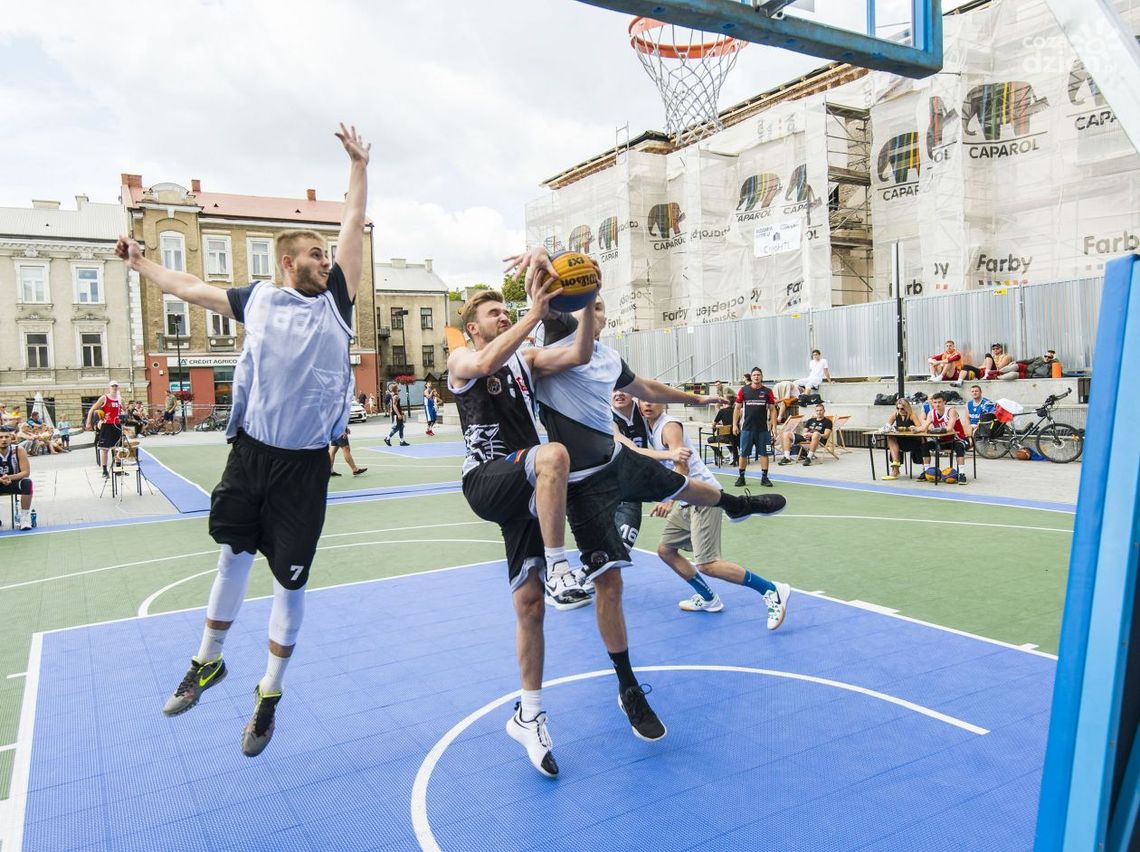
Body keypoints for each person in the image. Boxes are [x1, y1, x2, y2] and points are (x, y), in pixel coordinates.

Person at [116, 123, 370, 757]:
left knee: (289, 582)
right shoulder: (255, 299)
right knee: (230, 557)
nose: (327, 260)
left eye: (328, 254)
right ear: (289, 260)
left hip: (304, 468)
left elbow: (354, 223)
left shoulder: (336, 302)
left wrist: (359, 167)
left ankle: (270, 694)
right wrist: (138, 260)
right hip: (251, 455)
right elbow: (185, 287)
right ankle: (207, 661)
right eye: (315, 253)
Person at [516, 256, 784, 746]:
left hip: (618, 459)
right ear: (572, 311)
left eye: (599, 306)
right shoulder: (544, 357)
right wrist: (540, 262)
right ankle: (628, 685)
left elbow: (646, 388)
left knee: (683, 486)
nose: (598, 312)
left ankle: (735, 504)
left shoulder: (606, 356)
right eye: (590, 305)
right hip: (583, 484)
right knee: (610, 585)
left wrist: (694, 400)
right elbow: (559, 324)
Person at [447, 270, 597, 778]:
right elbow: (487, 360)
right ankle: (560, 566)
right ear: (472, 328)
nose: (503, 315)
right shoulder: (463, 360)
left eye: (505, 310)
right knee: (554, 454)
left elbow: (577, 354)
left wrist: (586, 302)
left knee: (529, 606)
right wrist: (534, 312)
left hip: (527, 488)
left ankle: (528, 714)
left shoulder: (527, 361)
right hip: (487, 479)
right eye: (493, 313)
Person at [640, 401, 791, 626]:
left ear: (664, 403)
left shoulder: (669, 426)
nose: (648, 404)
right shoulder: (647, 427)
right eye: (643, 400)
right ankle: (709, 598)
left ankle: (771, 590)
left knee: (708, 564)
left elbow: (682, 466)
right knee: (666, 551)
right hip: (685, 500)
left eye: (653, 399)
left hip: (703, 496)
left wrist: (669, 500)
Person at [610, 388, 693, 556]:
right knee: (599, 547)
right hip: (605, 487)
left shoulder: (644, 412)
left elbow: (660, 396)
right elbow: (632, 450)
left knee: (622, 548)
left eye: (624, 390)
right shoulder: (605, 416)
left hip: (631, 489)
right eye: (613, 390)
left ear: (634, 394)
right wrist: (670, 454)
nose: (618, 394)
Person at [733, 367, 776, 487]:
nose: (756, 377)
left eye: (758, 375)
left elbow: (772, 410)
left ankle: (764, 478)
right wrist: (734, 425)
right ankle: (741, 478)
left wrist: (774, 427)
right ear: (751, 377)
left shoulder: (768, 391)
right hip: (747, 429)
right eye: (754, 375)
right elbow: (737, 408)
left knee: (764, 454)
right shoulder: (743, 390)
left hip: (763, 429)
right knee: (743, 454)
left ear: (762, 377)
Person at [923, 392, 968, 483]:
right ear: (932, 403)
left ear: (944, 402)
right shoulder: (931, 413)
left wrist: (934, 430)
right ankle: (926, 472)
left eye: (939, 402)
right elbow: (924, 427)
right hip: (941, 440)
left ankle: (962, 474)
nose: (937, 404)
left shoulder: (951, 411)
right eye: (935, 402)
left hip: (957, 439)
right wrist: (915, 429)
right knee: (924, 446)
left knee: (959, 447)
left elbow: (949, 428)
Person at [86, 380, 124, 478]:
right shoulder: (104, 398)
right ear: (109, 387)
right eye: (112, 386)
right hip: (107, 425)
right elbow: (92, 409)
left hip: (117, 425)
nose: (114, 387)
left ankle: (118, 469)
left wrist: (124, 416)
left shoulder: (120, 399)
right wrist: (88, 422)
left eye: (116, 386)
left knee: (118, 448)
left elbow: (124, 411)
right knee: (105, 449)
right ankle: (104, 470)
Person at [881, 398, 926, 481]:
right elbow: (887, 426)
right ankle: (895, 465)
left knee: (920, 445)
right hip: (901, 441)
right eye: (898, 408)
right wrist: (888, 428)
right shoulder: (895, 414)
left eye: (902, 408)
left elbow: (920, 428)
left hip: (913, 441)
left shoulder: (912, 415)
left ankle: (926, 470)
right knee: (890, 437)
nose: (900, 410)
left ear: (907, 407)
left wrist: (905, 429)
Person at [0, 427, 34, 529]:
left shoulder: (18, 450)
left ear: (12, 438)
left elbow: (26, 472)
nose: (4, 439)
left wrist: (10, 477)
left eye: (6, 437)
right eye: (0, 437)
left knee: (28, 482)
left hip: (14, 482)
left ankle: (24, 518)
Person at [707, 398, 737, 467]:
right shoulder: (736, 411)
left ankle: (720, 456)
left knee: (711, 439)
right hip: (736, 435)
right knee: (725, 438)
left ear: (725, 403)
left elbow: (714, 425)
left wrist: (715, 425)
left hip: (727, 437)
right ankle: (731, 453)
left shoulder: (722, 411)